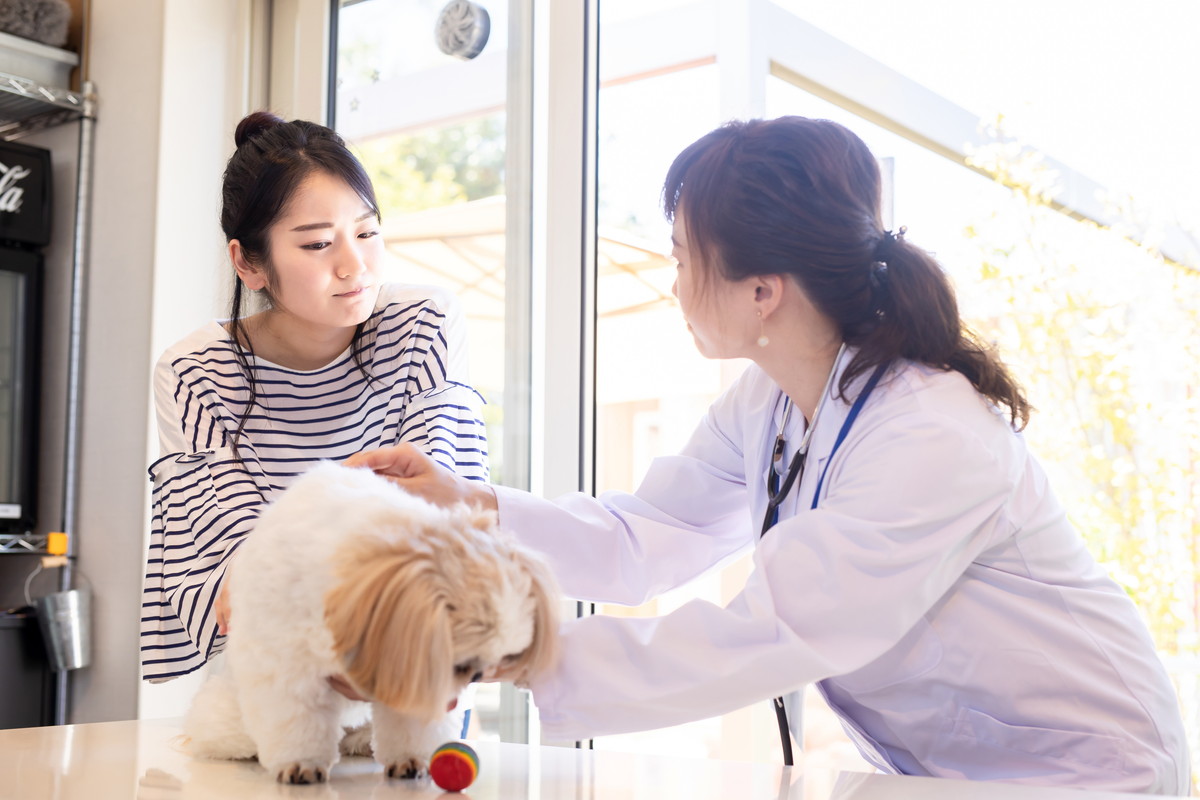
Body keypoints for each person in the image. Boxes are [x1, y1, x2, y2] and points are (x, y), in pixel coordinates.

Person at [345, 116, 1191, 792]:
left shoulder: (932, 434)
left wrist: (504, 650)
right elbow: (651, 535)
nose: (675, 283)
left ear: (762, 292)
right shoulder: (771, 398)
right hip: (948, 768)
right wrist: (472, 505)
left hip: (1082, 772)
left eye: (683, 257)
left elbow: (770, 631)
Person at [139, 111, 489, 714]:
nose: (354, 265)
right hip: (273, 671)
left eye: (368, 231)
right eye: (319, 244)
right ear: (249, 263)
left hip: (403, 642)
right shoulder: (195, 372)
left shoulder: (423, 324)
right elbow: (240, 563)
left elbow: (437, 504)